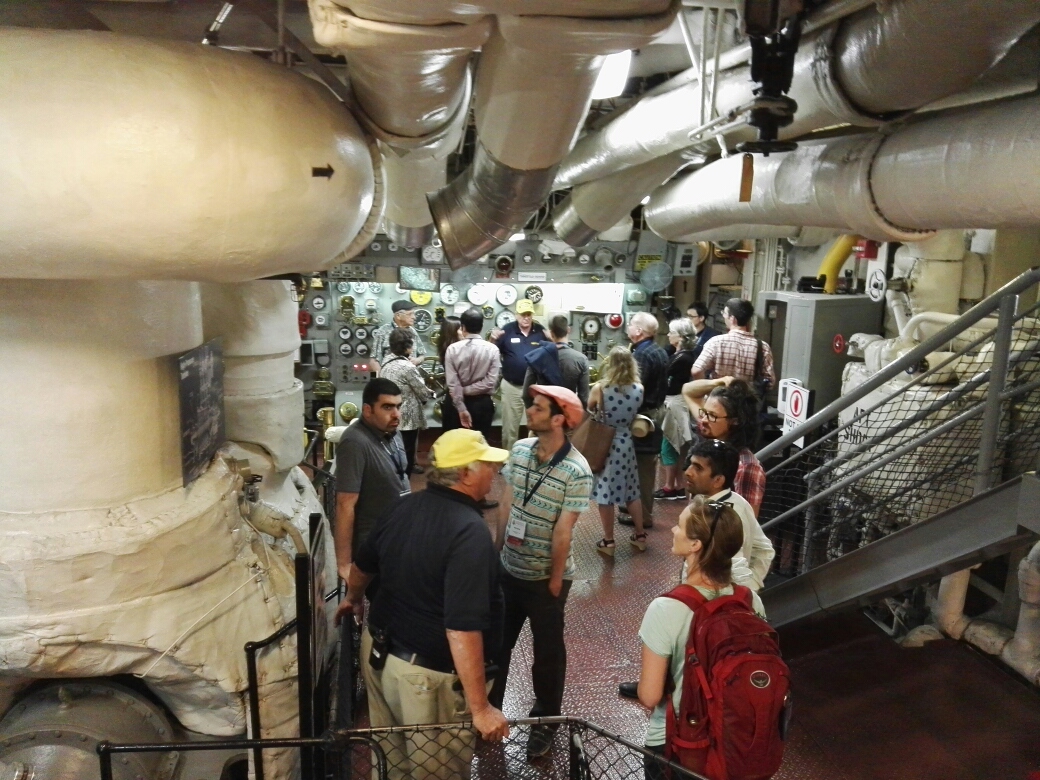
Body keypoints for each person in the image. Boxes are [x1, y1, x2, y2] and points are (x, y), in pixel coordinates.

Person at [339, 429, 511, 779]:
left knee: (390, 765)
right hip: (428, 681)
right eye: (487, 466)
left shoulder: (402, 505)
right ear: (464, 474)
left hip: (380, 658)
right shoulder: (469, 531)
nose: (494, 473)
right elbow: (462, 627)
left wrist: (352, 600)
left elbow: (362, 568)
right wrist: (480, 708)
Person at [490, 385, 593, 760]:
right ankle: (489, 710)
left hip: (546, 580)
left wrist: (552, 581)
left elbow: (564, 531)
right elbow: (507, 502)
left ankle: (544, 722)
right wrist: (497, 552)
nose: (528, 412)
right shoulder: (519, 451)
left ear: (559, 419)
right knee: (497, 645)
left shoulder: (576, 470)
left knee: (547, 655)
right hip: (509, 570)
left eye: (537, 408)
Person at [634, 494, 766, 780]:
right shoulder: (750, 601)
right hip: (736, 738)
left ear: (695, 545)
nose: (672, 530)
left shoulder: (666, 608)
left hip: (678, 746)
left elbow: (649, 695)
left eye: (679, 526)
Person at [334, 377, 410, 582]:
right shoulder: (355, 443)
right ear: (367, 410)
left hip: (398, 536)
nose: (396, 414)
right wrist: (344, 564)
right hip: (376, 545)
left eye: (398, 407)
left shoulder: (393, 432)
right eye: (387, 407)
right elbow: (344, 504)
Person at [588, 347, 649, 556]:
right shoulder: (639, 388)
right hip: (626, 442)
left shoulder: (600, 388)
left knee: (605, 493)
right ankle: (640, 536)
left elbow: (590, 407)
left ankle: (609, 541)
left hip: (605, 443)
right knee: (632, 491)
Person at [682, 378, 766, 515]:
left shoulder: (746, 467)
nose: (703, 420)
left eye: (712, 415)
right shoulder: (712, 437)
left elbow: (744, 524)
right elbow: (687, 390)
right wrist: (718, 382)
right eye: (704, 412)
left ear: (735, 421)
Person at [623, 312, 669, 529]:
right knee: (643, 465)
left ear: (639, 331)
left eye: (631, 324)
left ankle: (643, 516)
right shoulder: (658, 350)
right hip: (656, 412)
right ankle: (636, 508)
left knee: (642, 468)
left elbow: (635, 389)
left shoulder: (641, 355)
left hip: (643, 417)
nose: (628, 327)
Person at [490, 299, 548, 453]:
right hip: (511, 386)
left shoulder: (541, 332)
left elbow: (552, 354)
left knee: (539, 424)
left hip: (535, 388)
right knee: (510, 427)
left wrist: (552, 340)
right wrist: (492, 339)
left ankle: (537, 456)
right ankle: (509, 459)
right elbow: (492, 352)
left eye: (529, 314)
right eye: (522, 314)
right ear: (516, 315)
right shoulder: (507, 330)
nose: (526, 317)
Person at [378, 328, 432, 475]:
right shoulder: (407, 367)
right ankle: (404, 484)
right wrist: (432, 394)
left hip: (389, 416)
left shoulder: (386, 361)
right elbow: (422, 391)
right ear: (408, 347)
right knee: (406, 453)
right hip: (407, 419)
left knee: (392, 451)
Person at [655, 319, 698, 500]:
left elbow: (665, 375)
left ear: (680, 337)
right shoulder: (680, 355)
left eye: (671, 332)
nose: (668, 335)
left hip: (675, 402)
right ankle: (678, 485)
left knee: (670, 445)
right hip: (675, 402)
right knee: (677, 445)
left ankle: (669, 486)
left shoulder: (683, 358)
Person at [444, 307, 501, 440]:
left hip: (455, 404)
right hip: (482, 404)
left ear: (463, 327)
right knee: (479, 445)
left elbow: (452, 383)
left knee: (454, 446)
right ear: (481, 327)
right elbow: (490, 383)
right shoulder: (493, 350)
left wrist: (461, 405)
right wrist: (465, 390)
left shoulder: (452, 349)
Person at [690, 298, 775, 389]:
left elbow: (696, 371)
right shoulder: (763, 347)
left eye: (724, 313)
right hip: (748, 400)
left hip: (718, 398)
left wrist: (705, 389)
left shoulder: (716, 342)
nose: (723, 316)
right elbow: (770, 381)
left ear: (732, 319)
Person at [522, 314, 590, 407]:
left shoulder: (536, 357)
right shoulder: (581, 359)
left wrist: (534, 411)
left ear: (551, 333)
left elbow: (526, 395)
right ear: (568, 330)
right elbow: (584, 398)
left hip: (544, 413)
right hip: (569, 413)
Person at [372, 299, 427, 370]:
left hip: (411, 377)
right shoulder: (383, 331)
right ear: (398, 316)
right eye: (410, 314)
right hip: (390, 377)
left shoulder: (413, 331)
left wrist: (417, 360)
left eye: (414, 314)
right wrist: (378, 379)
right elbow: (373, 361)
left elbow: (422, 356)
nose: (414, 317)